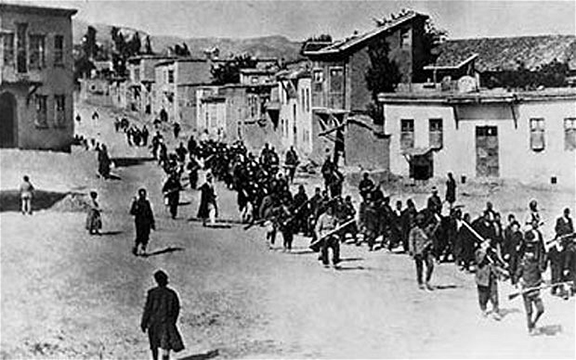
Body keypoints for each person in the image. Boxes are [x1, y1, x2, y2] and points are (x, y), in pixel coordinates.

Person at [141, 270, 185, 360]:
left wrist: (144, 322)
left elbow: (148, 309)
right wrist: (172, 322)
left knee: (154, 345)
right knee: (165, 345)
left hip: (154, 323)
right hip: (166, 323)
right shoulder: (171, 294)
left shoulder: (152, 293)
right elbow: (176, 309)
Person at [514, 244, 545, 334]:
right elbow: (517, 276)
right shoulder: (523, 264)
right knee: (529, 311)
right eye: (528, 252)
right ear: (526, 254)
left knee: (541, 309)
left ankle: (534, 322)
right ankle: (529, 328)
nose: (530, 254)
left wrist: (542, 282)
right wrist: (519, 284)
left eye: (532, 252)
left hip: (535, 289)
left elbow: (540, 273)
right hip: (526, 289)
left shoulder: (536, 263)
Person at [475, 238, 502, 320]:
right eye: (486, 243)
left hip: (492, 275)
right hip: (482, 276)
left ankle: (495, 311)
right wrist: (484, 250)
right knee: (483, 295)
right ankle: (483, 309)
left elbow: (496, 261)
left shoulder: (491, 252)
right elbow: (479, 261)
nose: (488, 244)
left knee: (494, 294)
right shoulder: (478, 252)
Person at [409, 213, 437, 290]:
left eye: (422, 220)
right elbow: (411, 241)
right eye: (419, 220)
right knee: (419, 268)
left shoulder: (427, 229)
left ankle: (427, 280)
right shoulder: (414, 230)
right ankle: (420, 282)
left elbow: (432, 238)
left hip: (427, 250)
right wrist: (412, 250)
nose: (420, 222)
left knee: (430, 265)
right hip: (418, 251)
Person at [130, 188, 156, 256]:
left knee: (146, 236)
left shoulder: (147, 203)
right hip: (139, 222)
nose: (143, 196)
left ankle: (143, 250)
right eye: (142, 194)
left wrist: (152, 222)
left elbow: (150, 212)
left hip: (147, 222)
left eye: (144, 194)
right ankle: (135, 248)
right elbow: (132, 212)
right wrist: (134, 203)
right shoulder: (137, 203)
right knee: (139, 235)